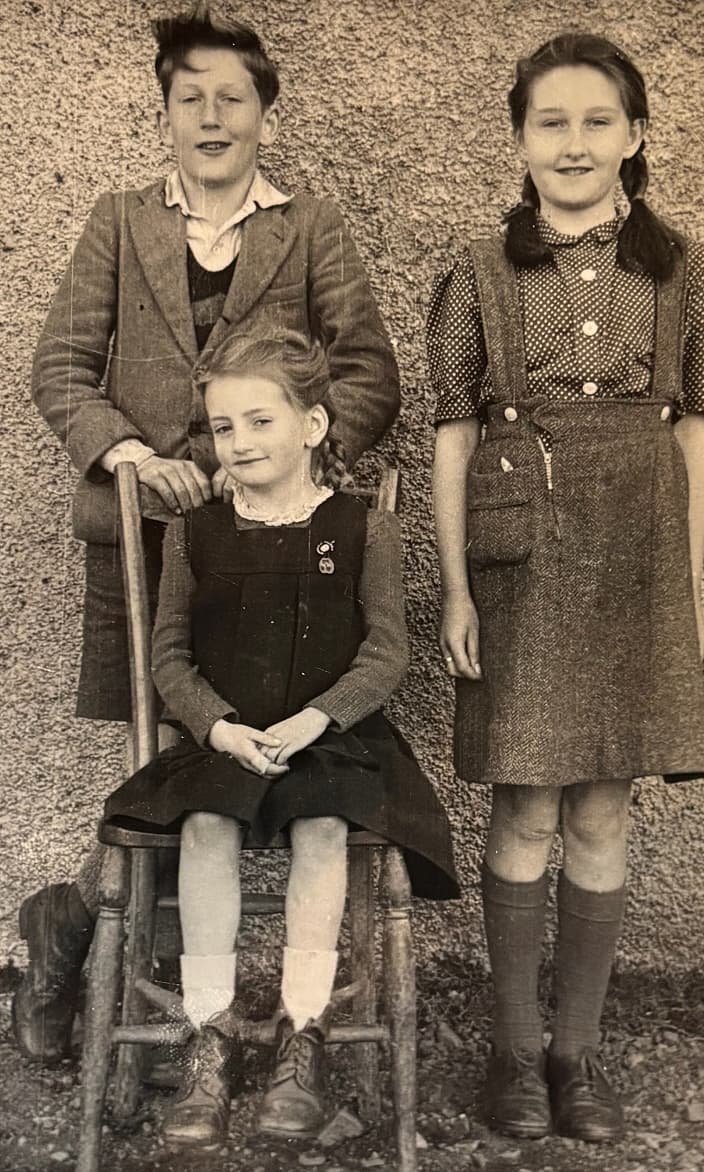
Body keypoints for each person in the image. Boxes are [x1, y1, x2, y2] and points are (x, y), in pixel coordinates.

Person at [14, 2, 400, 1065]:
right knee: (177, 750)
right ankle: (160, 997)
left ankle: (112, 952)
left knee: (221, 751)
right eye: (192, 98)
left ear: (267, 114)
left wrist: (296, 470)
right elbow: (59, 368)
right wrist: (134, 456)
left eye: (236, 97)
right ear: (166, 112)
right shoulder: (118, 219)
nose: (214, 116)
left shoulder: (309, 226)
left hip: (271, 542)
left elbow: (369, 371)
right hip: (146, 535)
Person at [428, 33, 704, 1144]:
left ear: (636, 137)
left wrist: (685, 590)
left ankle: (576, 1058)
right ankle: (512, 1053)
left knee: (604, 804)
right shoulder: (475, 272)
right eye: (550, 122)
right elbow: (453, 436)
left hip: (640, 555)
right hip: (523, 554)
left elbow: (696, 434)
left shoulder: (689, 270)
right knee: (525, 800)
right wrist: (457, 587)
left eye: (597, 120)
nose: (573, 142)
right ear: (519, 140)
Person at [101, 331, 458, 1147]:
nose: (241, 443)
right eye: (224, 428)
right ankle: (208, 1036)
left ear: (312, 426)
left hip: (328, 735)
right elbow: (168, 657)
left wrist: (316, 719)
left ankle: (304, 1036)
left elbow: (386, 651)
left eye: (260, 421)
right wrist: (217, 726)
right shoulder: (196, 534)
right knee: (203, 825)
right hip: (223, 736)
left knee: (324, 825)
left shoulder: (364, 529)